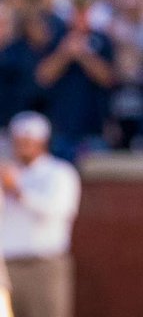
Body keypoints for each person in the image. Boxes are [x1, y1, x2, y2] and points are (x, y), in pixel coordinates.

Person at [0, 113, 81, 317]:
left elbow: (59, 211)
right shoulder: (7, 172)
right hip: (6, 266)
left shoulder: (60, 173)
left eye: (28, 141)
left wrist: (18, 192)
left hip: (43, 264)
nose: (22, 146)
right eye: (18, 141)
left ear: (42, 141)